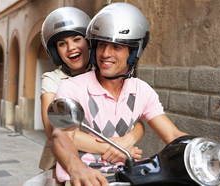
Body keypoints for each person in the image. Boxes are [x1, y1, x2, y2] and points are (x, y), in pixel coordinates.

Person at [52, 2, 220, 186]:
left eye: (117, 47)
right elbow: (61, 136)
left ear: (133, 52)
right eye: (101, 44)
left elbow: (172, 135)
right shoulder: (73, 87)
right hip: (86, 178)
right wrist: (76, 168)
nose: (105, 54)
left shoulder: (141, 90)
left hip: (131, 175)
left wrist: (213, 150)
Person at [24, 6, 144, 186]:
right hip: (66, 165)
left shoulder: (108, 72)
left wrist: (129, 139)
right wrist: (116, 148)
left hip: (114, 165)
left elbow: (139, 119)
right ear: (55, 51)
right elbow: (54, 130)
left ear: (89, 42)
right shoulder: (53, 80)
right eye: (62, 43)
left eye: (77, 39)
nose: (71, 47)